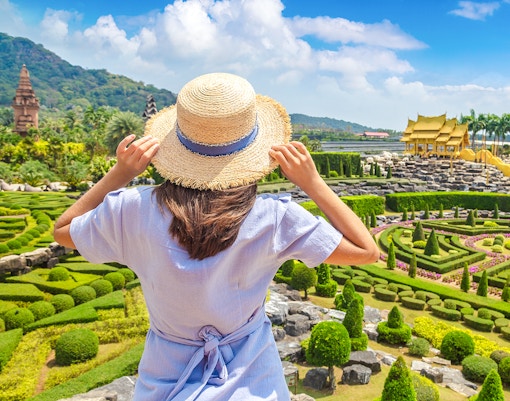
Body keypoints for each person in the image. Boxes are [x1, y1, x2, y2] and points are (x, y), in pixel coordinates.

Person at [53, 72, 379, 401]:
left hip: (163, 384)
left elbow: (63, 230)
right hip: (255, 383)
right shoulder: (275, 218)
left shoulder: (132, 210)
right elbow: (367, 251)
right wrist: (312, 183)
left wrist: (120, 173)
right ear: (255, 149)